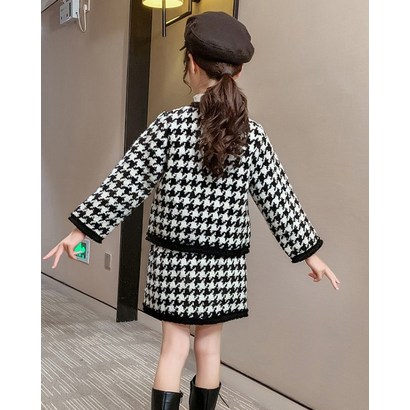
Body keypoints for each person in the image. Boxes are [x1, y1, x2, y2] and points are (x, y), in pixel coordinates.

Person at [43, 11, 340, 410]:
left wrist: (80, 231)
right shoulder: (252, 135)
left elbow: (126, 183)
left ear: (192, 65)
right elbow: (278, 199)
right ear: (238, 72)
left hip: (173, 261)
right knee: (209, 349)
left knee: (173, 348)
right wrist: (311, 255)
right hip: (223, 265)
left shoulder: (169, 126)